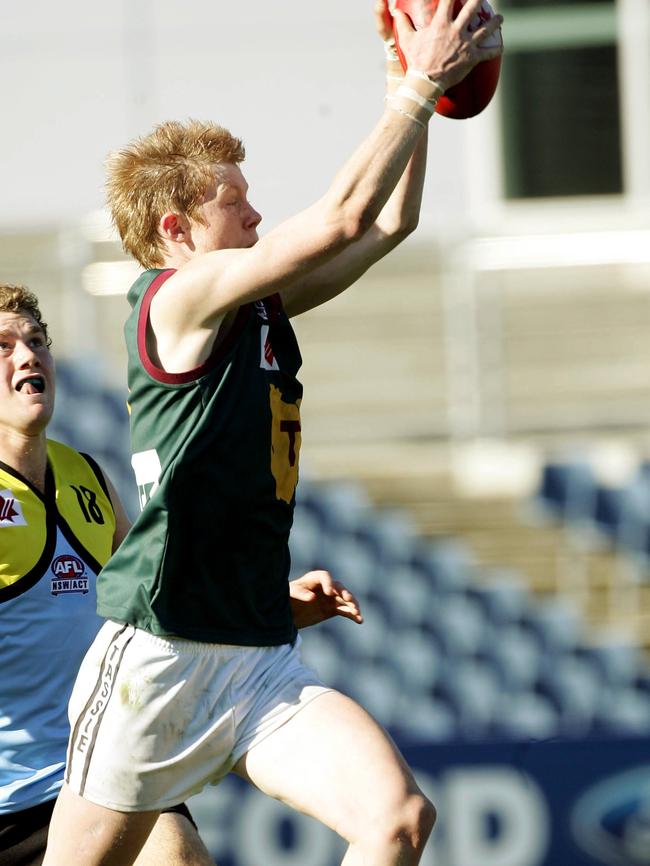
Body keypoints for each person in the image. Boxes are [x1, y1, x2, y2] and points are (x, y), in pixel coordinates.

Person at [44, 2, 503, 864]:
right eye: (235, 204)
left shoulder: (250, 306)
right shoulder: (171, 297)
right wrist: (420, 81)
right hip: (158, 661)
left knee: (398, 820)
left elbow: (384, 225)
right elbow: (335, 220)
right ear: (175, 231)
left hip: (254, 653)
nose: (256, 218)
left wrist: (404, 79)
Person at [0, 283, 363, 866]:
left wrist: (276, 603)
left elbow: (158, 606)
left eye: (37, 341)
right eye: (3, 346)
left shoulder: (85, 476)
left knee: (181, 857)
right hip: (5, 803)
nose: (27, 356)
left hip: (93, 775)